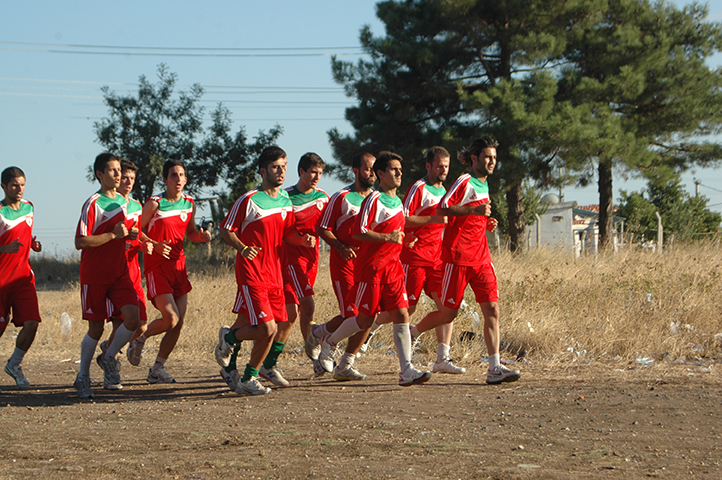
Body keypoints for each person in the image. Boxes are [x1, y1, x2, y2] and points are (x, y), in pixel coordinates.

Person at [410, 137, 521, 384]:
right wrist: (474, 211)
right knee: (448, 314)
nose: (492, 162)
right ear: (474, 158)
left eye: (494, 157)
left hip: (481, 257)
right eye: (487, 157)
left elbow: (474, 217)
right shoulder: (464, 181)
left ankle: (494, 368)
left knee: (492, 309)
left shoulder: (484, 184)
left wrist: (485, 222)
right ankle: (412, 332)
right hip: (457, 258)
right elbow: (442, 209)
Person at [316, 151, 432, 386]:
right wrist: (386, 237)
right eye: (393, 169)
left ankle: (406, 370)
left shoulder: (398, 202)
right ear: (381, 174)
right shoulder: (373, 200)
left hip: (393, 269)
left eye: (400, 169)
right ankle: (330, 341)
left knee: (402, 313)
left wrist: (404, 238)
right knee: (365, 320)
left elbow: (397, 229)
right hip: (370, 269)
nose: (399, 173)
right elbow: (359, 232)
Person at [215, 146, 314, 396]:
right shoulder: (249, 199)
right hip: (252, 273)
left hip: (275, 274)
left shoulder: (285, 201)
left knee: (268, 326)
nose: (281, 171)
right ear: (263, 171)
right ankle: (234, 350)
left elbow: (288, 232)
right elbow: (226, 228)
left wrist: (303, 240)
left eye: (283, 166)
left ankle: (242, 372)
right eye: (275, 167)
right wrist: (242, 247)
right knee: (267, 328)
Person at [375, 146, 465, 374]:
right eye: (439, 166)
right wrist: (429, 220)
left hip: (437, 260)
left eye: (446, 166)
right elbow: (402, 219)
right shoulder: (419, 187)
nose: (443, 170)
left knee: (448, 307)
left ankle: (441, 358)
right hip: (414, 258)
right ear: (429, 166)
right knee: (406, 308)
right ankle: (369, 326)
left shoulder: (446, 191)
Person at [125, 159, 211, 384]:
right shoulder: (155, 203)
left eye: (182, 175)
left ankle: (157, 368)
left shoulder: (189, 203)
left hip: (179, 267)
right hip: (157, 267)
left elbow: (190, 232)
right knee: (170, 318)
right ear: (165, 179)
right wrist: (153, 243)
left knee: (179, 322)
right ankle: (139, 339)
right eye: (173, 175)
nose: (179, 179)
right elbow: (137, 230)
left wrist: (200, 238)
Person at [253, 153, 329, 387]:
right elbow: (281, 229)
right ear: (301, 172)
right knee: (306, 305)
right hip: (290, 261)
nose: (316, 177)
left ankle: (265, 361)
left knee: (289, 317)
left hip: (311, 261)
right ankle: (314, 352)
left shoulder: (323, 198)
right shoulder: (286, 196)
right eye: (312, 172)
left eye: (320, 173)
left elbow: (329, 225)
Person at [74, 153, 142, 398]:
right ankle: (82, 376)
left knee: (133, 319)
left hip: (120, 272)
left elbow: (122, 233)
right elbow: (80, 241)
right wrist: (113, 235)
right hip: (95, 275)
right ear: (99, 175)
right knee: (96, 328)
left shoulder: (124, 203)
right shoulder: (93, 203)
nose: (117, 175)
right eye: (112, 171)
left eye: (118, 170)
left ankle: (109, 357)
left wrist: (129, 236)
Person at [305, 152, 376, 381]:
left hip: (366, 266)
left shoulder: (376, 198)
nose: (372, 173)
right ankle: (327, 341)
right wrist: (340, 246)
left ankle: (342, 359)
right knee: (352, 314)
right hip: (344, 264)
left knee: (368, 315)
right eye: (367, 169)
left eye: (375, 169)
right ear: (356, 171)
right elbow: (322, 227)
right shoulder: (341, 197)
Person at [101, 161, 170, 381]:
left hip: (132, 272)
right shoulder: (107, 205)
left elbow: (139, 234)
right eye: (124, 177)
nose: (128, 182)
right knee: (120, 323)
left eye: (132, 178)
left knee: (140, 325)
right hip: (113, 272)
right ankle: (109, 368)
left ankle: (109, 350)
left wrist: (149, 244)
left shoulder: (135, 205)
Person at [0, 167, 42, 391]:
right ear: (4, 186)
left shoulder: (29, 207)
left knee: (32, 323)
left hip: (24, 279)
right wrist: (4, 248)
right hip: (1, 281)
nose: (19, 189)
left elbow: (26, 234)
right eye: (15, 185)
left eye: (22, 184)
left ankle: (14, 364)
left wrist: (33, 244)